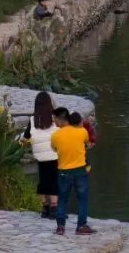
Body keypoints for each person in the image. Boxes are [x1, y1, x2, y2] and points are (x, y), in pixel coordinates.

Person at [50, 108, 94, 236]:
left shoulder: (55, 135)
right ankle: (81, 226)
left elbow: (54, 149)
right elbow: (87, 143)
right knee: (82, 199)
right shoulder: (82, 131)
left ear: (59, 119)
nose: (54, 122)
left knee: (63, 199)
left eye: (54, 120)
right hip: (80, 170)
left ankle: (60, 227)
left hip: (63, 171)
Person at [22, 92, 59, 219]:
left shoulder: (32, 120)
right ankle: (54, 208)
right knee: (54, 181)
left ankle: (45, 208)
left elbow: (26, 137)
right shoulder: (55, 119)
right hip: (55, 155)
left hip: (40, 157)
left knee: (43, 181)